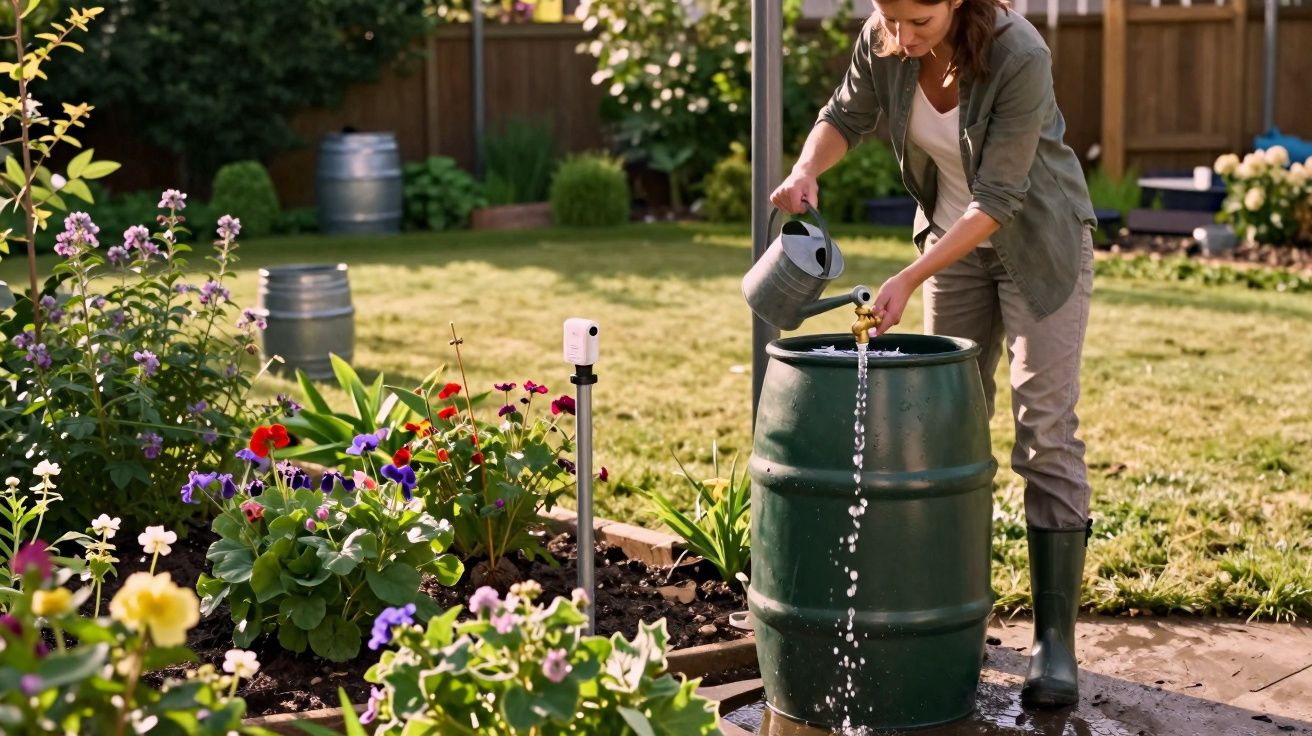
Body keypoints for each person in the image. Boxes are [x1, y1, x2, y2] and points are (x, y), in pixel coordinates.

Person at [770, 0, 1096, 708]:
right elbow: (845, 116)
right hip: (952, 246)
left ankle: (1054, 642)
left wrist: (909, 278)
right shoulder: (885, 36)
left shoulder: (1019, 54)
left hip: (1038, 245)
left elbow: (999, 198)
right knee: (946, 428)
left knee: (1043, 428)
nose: (902, 36)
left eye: (919, 21)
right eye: (891, 18)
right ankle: (952, 612)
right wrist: (805, 169)